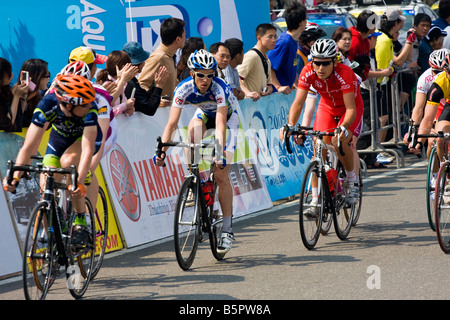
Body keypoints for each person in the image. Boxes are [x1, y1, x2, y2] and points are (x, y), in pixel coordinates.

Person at [153, 49, 239, 253]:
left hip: (228, 119)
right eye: (201, 74)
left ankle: (227, 230)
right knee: (191, 136)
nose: (206, 79)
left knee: (221, 173)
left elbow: (220, 124)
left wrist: (219, 153)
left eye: (210, 74)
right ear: (192, 74)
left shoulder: (220, 89)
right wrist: (162, 149)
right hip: (204, 113)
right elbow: (172, 124)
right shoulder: (183, 89)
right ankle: (192, 177)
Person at [3, 74, 100, 247]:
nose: (90, 105)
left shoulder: (90, 111)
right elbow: (29, 146)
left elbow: (87, 149)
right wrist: (15, 176)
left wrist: (80, 180)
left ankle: (81, 222)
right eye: (85, 103)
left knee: (69, 164)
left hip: (82, 140)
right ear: (69, 104)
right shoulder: (47, 105)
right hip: (59, 140)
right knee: (47, 180)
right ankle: (57, 223)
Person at [281, 39, 364, 215]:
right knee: (319, 146)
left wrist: (344, 128)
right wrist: (291, 125)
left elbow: (350, 109)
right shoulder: (308, 71)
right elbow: (298, 103)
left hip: (349, 109)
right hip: (326, 107)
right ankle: (315, 200)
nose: (320, 68)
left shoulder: (345, 73)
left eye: (325, 63)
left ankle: (351, 178)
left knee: (339, 140)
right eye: (316, 62)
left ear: (334, 61)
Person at [375, 8, 413, 146]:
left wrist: (409, 42)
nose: (401, 26)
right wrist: (409, 42)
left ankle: (378, 150)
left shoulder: (388, 38)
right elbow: (398, 62)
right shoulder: (384, 39)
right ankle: (377, 151)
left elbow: (406, 58)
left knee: (384, 118)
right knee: (382, 119)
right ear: (395, 23)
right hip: (379, 84)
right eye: (399, 23)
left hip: (383, 83)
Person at [139, 17, 186, 107]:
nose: (185, 38)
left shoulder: (169, 56)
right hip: (156, 117)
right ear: (178, 39)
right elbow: (142, 85)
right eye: (184, 35)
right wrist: (155, 102)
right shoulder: (158, 57)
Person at [268, 1, 307, 94]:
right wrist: (278, 87)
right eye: (306, 19)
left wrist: (298, 87)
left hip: (287, 96)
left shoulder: (293, 40)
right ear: (301, 23)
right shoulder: (284, 42)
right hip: (276, 97)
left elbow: (292, 67)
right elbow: (269, 66)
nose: (307, 22)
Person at [122, 41, 169, 116]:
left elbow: (144, 97)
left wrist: (155, 86)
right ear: (137, 64)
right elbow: (150, 109)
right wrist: (158, 87)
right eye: (142, 60)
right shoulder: (130, 84)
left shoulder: (132, 80)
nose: (144, 63)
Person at [237, 23, 277, 101]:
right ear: (259, 38)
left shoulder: (267, 60)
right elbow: (236, 78)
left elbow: (269, 85)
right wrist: (248, 93)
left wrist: (269, 89)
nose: (274, 40)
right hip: (248, 107)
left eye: (275, 37)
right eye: (270, 37)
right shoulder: (252, 56)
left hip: (259, 107)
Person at [96, 50, 138, 117]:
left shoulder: (125, 84)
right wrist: (125, 106)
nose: (131, 69)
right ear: (123, 67)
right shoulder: (108, 85)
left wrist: (128, 110)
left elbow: (121, 107)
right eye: (129, 66)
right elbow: (106, 111)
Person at [17, 59, 52, 128]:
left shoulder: (36, 98)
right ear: (37, 77)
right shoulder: (16, 98)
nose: (49, 78)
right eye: (47, 75)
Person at [0, 58, 27, 132]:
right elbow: (8, 125)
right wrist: (16, 96)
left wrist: (23, 95)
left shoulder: (5, 89)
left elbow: (19, 114)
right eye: (8, 72)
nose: (12, 74)